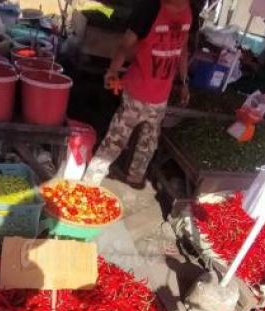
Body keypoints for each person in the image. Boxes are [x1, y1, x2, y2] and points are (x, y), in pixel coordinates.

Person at [83, 0, 194, 189]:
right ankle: (90, 183)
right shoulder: (150, 8)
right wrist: (112, 71)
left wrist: (184, 82)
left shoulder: (191, 12)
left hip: (160, 98)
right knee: (115, 141)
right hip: (135, 94)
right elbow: (125, 45)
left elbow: (183, 48)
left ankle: (134, 180)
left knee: (148, 145)